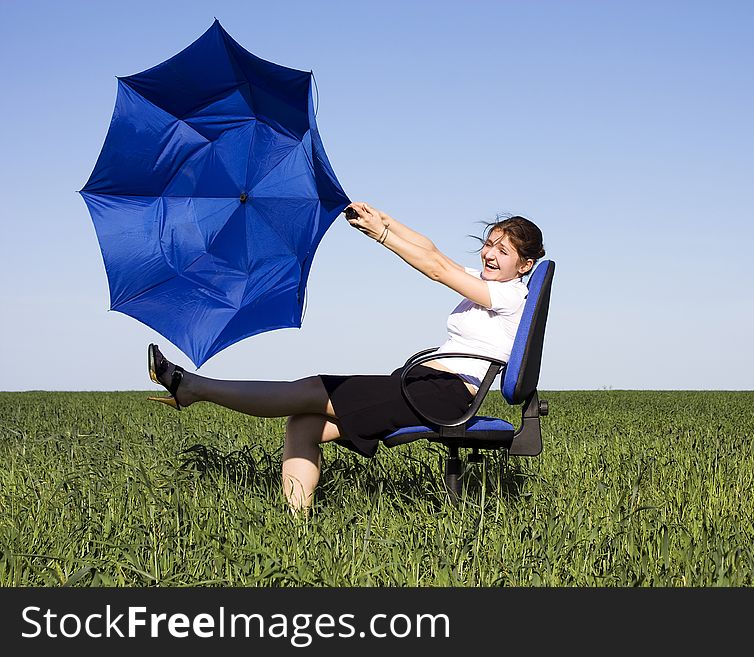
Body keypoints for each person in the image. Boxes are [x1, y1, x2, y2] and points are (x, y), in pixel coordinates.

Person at [147, 202, 545, 512]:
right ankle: (295, 530)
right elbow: (433, 251)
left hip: (447, 395)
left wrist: (382, 236)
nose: (489, 255)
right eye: (488, 245)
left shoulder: (510, 295)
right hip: (425, 386)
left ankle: (193, 387)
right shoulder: (488, 284)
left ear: (525, 265)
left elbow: (438, 269)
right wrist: (382, 219)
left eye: (502, 250)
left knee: (311, 390)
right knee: (304, 424)